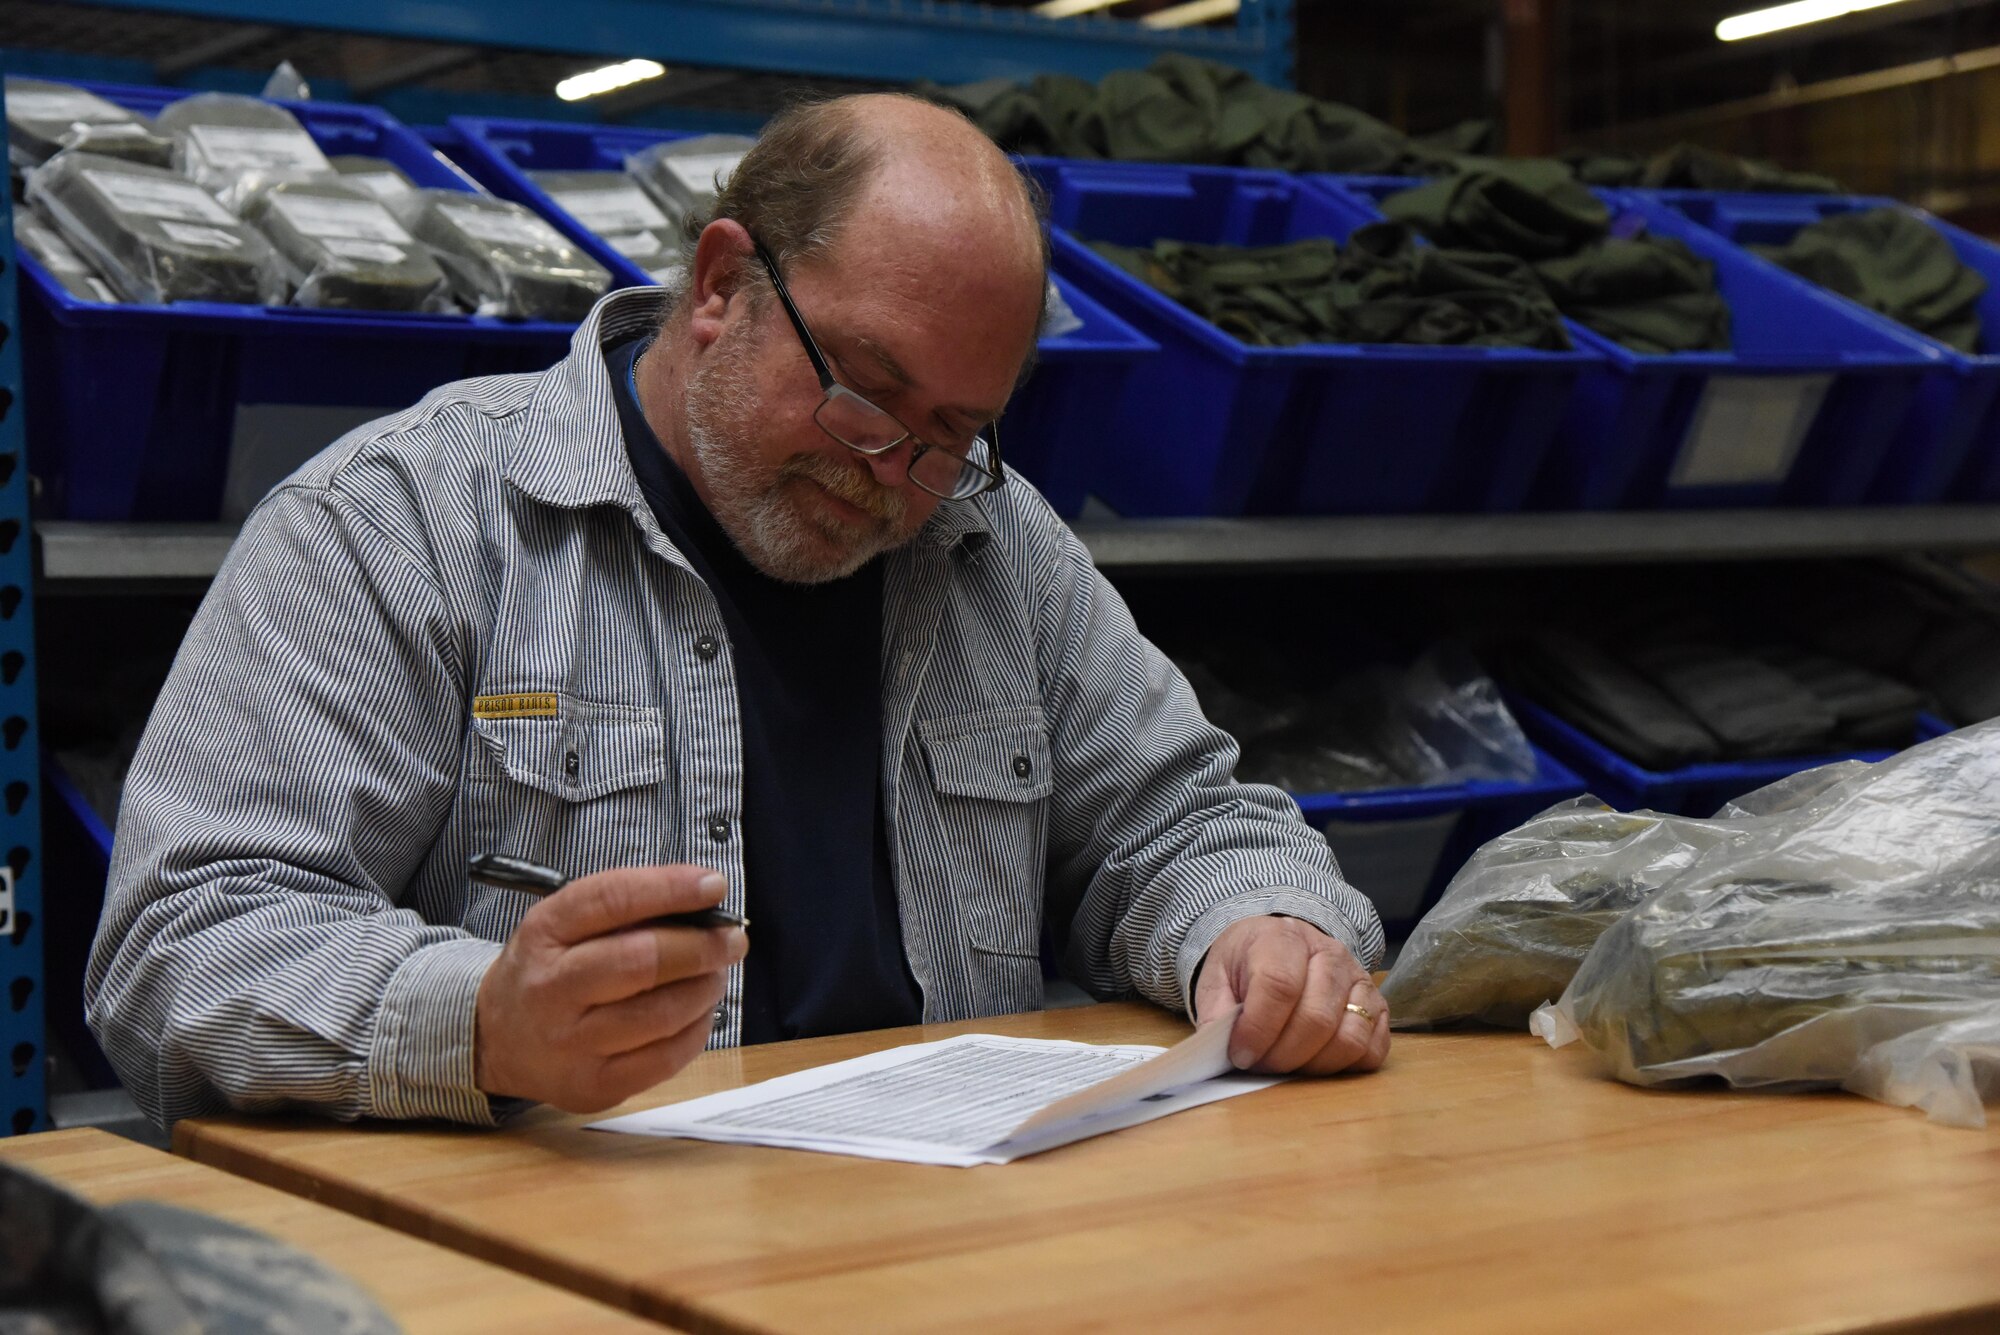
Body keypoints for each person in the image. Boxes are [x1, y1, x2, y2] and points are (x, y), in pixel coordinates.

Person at [86, 93, 1389, 1128]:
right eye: (867, 395)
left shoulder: (996, 543)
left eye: (953, 433)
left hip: (937, 1241)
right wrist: (478, 1021)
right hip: (547, 1262)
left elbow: (1176, 820)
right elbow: (182, 944)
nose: (894, 477)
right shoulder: (402, 523)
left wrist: (1257, 927)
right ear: (721, 285)